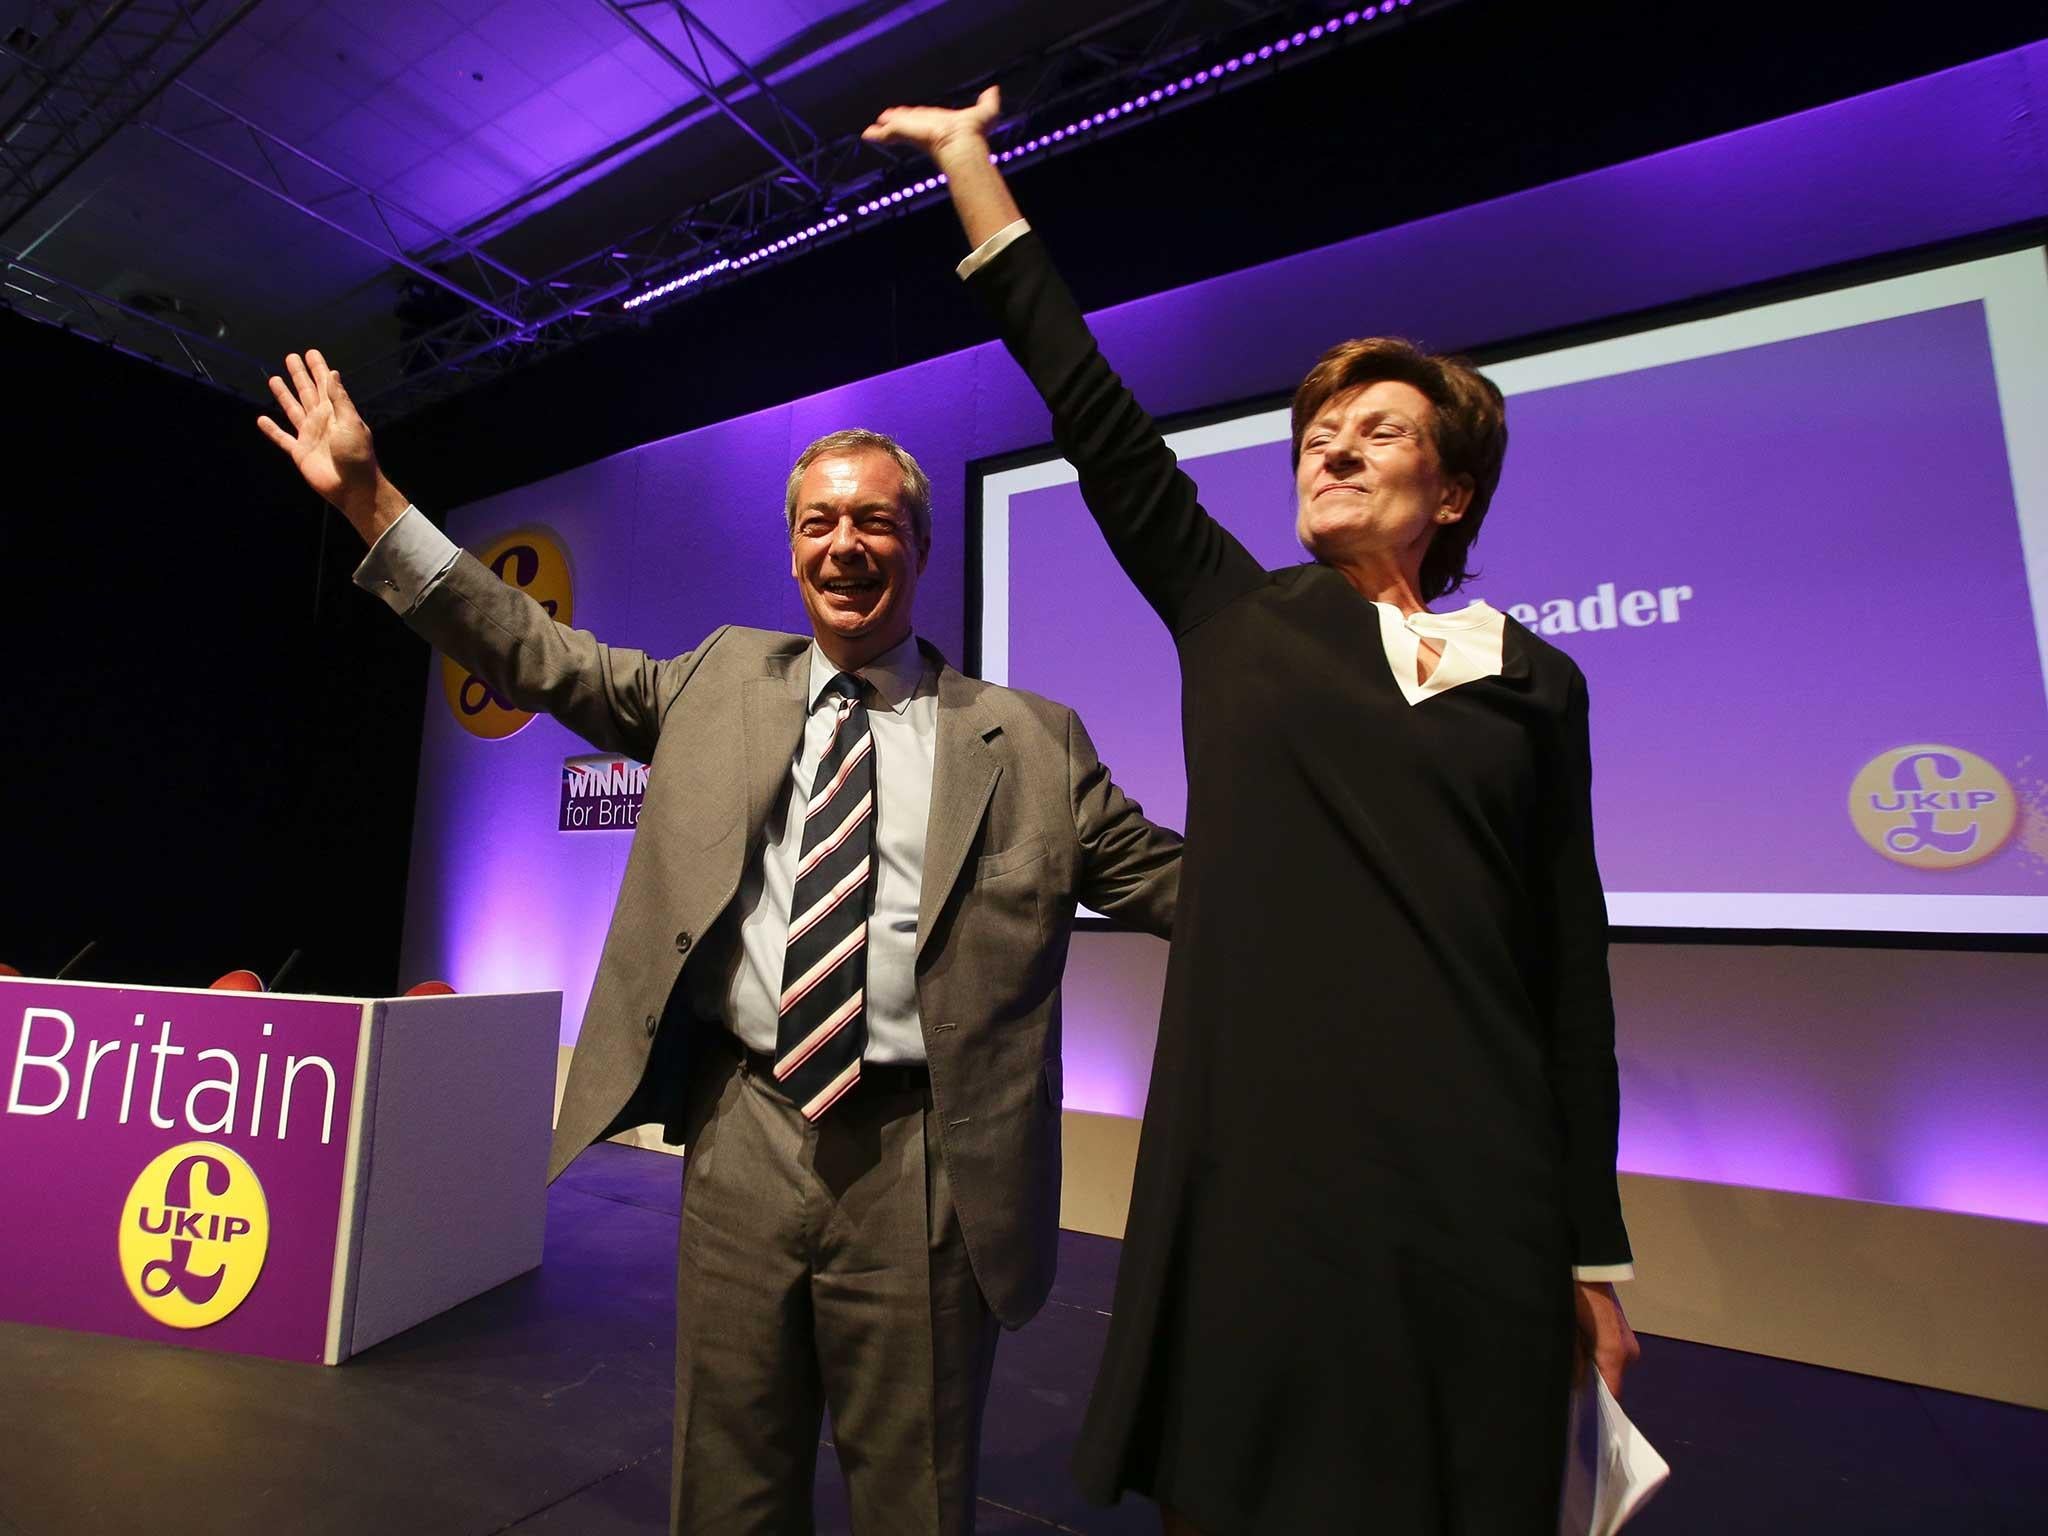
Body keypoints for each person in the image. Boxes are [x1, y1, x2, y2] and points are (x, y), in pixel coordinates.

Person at [867, 89, 1638, 1534]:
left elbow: (1567, 964)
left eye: (1378, 431)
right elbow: (1087, 405)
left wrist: (1591, 1245)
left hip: (1478, 1179)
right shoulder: (1238, 616)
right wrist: (973, 172)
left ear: (1454, 490)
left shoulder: (1539, 682)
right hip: (1265, 1157)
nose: (1331, 446)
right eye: (1317, 431)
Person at [256, 354, 1181, 1535]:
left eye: (875, 522)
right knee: (727, 1482)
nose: (845, 545)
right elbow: (537, 654)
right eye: (819, 522)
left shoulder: (1030, 743)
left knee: (917, 1494)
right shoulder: (721, 679)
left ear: (922, 547)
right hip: (744, 1132)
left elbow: (1176, 884)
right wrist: (370, 504)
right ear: (791, 547)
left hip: (927, 1161)